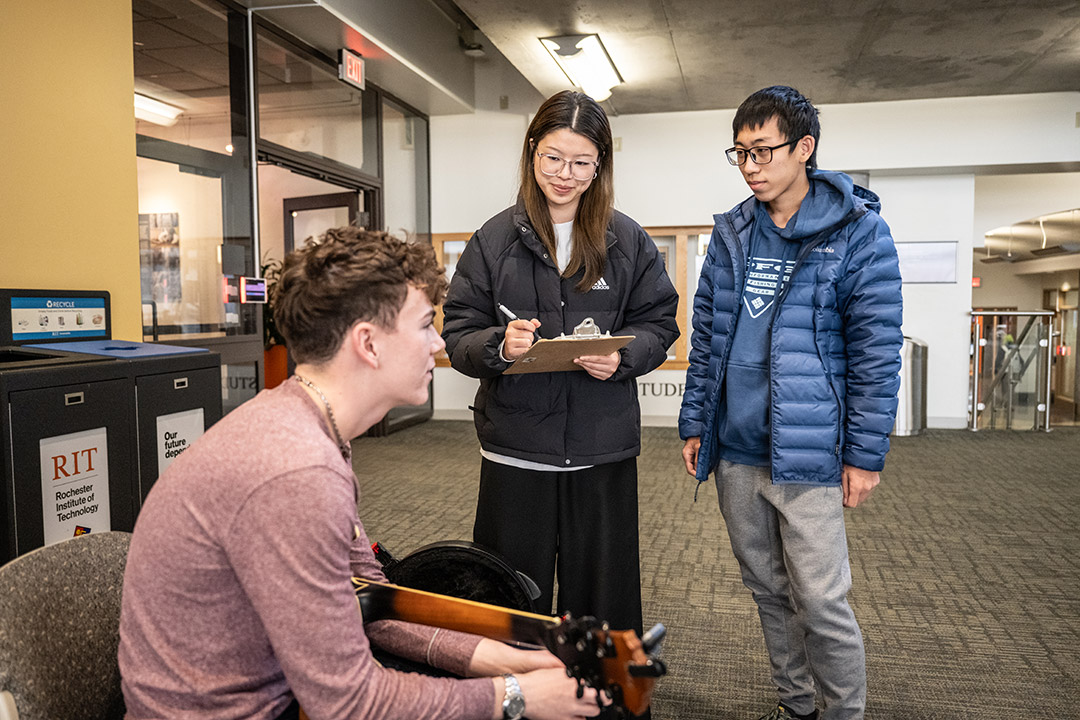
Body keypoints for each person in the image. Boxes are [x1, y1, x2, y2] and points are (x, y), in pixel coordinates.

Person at [118, 227, 602, 720]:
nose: (437, 341)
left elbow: (368, 594)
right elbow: (348, 703)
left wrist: (500, 659)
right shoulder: (296, 471)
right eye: (423, 326)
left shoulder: (305, 421)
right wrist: (516, 697)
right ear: (368, 344)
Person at [679, 86, 903, 720]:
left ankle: (843, 713)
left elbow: (876, 356)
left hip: (808, 455)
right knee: (767, 591)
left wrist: (864, 454)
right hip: (736, 452)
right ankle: (796, 704)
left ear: (804, 148)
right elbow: (708, 337)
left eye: (762, 151)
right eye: (739, 153)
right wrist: (698, 420)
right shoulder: (730, 234)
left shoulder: (859, 235)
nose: (750, 165)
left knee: (822, 600)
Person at [441, 91, 679, 644]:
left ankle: (605, 701)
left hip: (601, 448)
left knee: (603, 602)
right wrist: (502, 346)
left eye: (580, 162)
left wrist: (624, 356)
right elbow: (459, 334)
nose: (564, 175)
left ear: (600, 166)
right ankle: (516, 697)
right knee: (511, 601)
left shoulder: (627, 239)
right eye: (552, 158)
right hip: (516, 448)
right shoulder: (493, 240)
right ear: (531, 153)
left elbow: (659, 321)